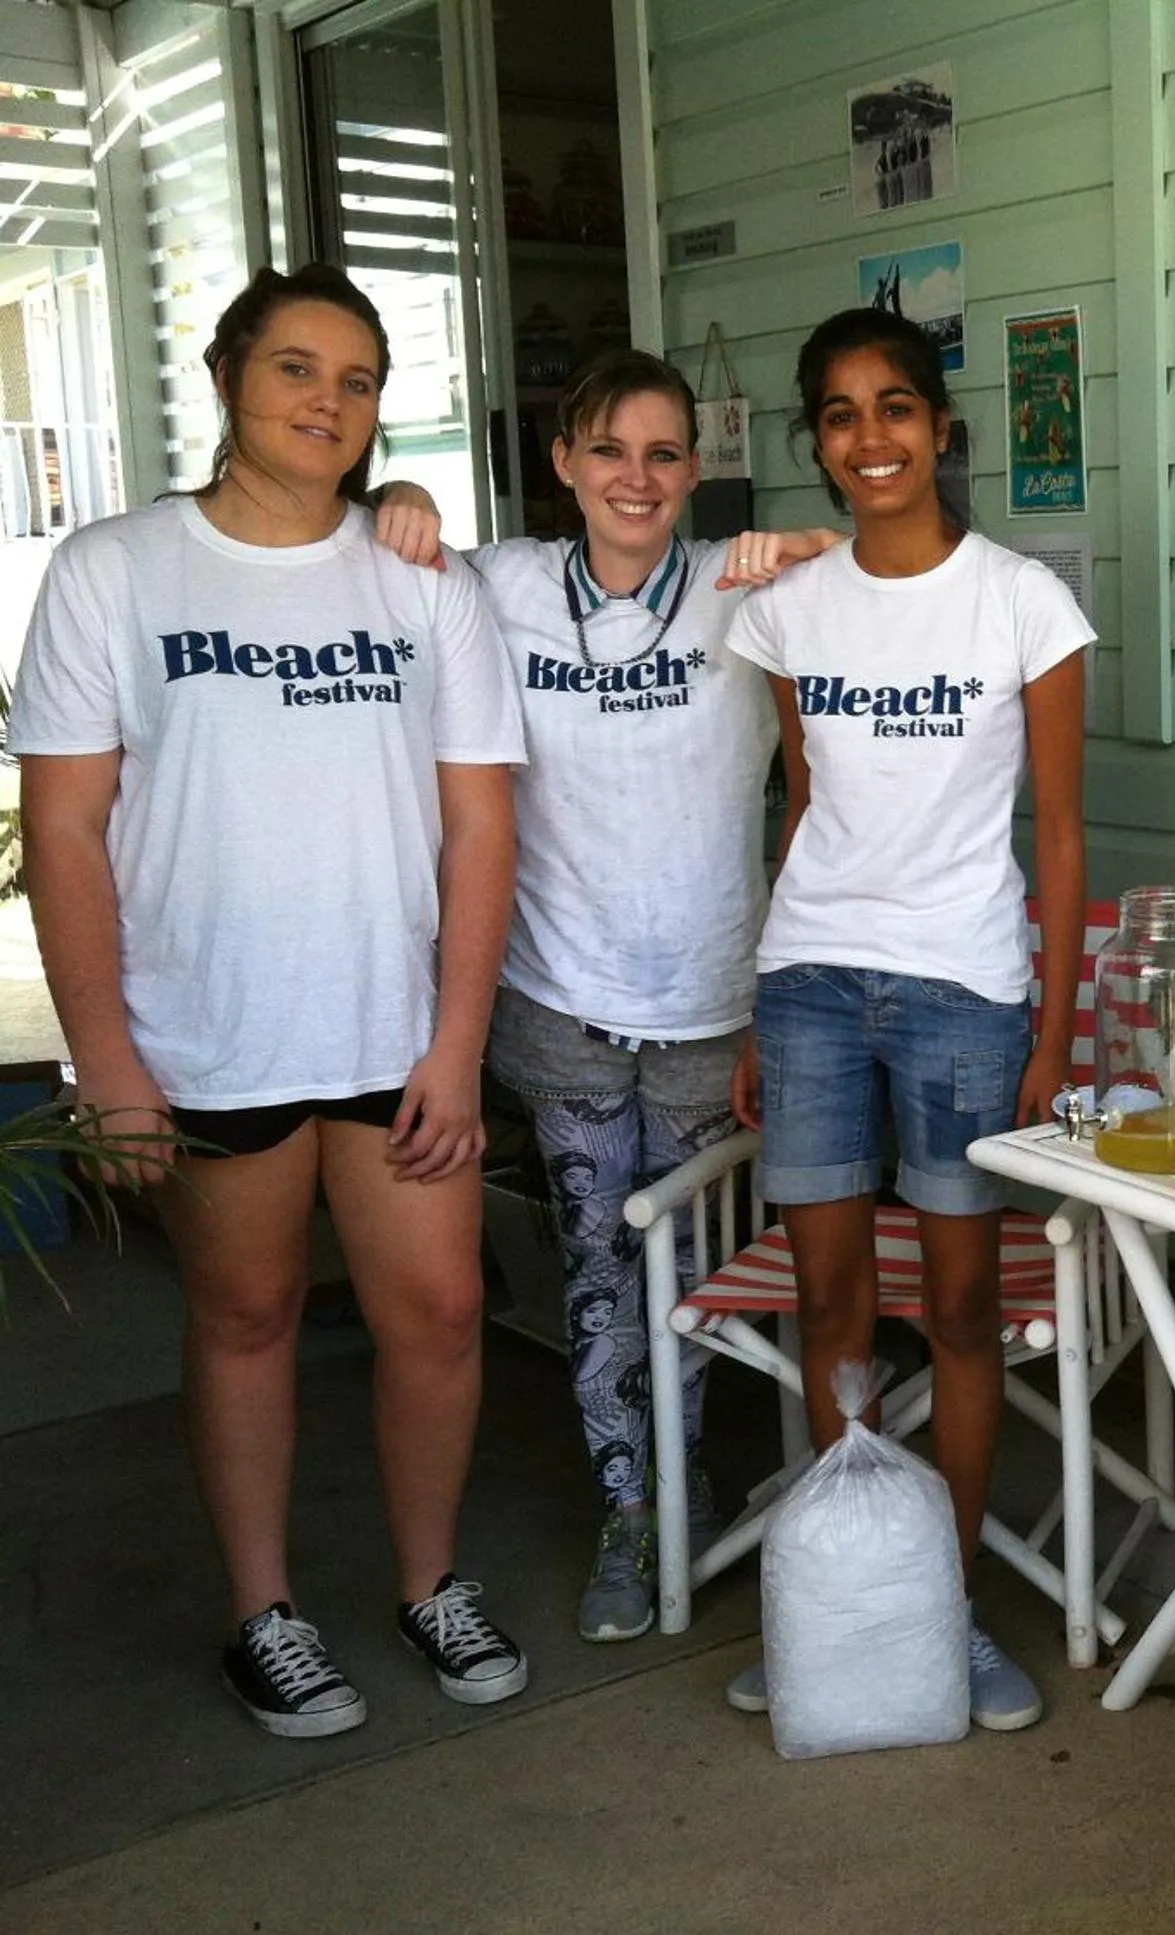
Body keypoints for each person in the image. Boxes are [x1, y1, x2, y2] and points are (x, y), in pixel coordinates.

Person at [15, 264, 529, 1738]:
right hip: (211, 1029)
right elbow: (64, 827)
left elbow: (480, 824)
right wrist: (105, 1053)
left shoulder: (422, 580)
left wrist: (459, 1039)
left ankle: (432, 1581)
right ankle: (266, 1611)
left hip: (392, 1029)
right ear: (230, 372)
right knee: (244, 1316)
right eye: (298, 367)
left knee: (434, 1313)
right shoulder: (115, 569)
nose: (329, 401)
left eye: (359, 380)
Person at [375, 350, 840, 1643]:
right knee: (596, 1261)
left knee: (681, 1268)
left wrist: (812, 544)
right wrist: (398, 492)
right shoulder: (501, 585)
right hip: (562, 1003)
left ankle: (683, 1490)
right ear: (567, 462)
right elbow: (377, 565)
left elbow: (886, 589)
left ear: (695, 468)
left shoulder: (748, 589)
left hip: (710, 1004)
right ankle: (633, 1514)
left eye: (665, 453)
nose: (638, 477)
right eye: (611, 450)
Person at [723, 306, 1089, 1730]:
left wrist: (1049, 1035)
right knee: (828, 1304)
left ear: (942, 426)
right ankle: (848, 1603)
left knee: (954, 1308)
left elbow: (1058, 833)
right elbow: (803, 805)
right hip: (812, 980)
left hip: (964, 992)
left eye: (894, 407)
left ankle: (940, 1610)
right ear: (817, 441)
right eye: (838, 413)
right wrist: (762, 996)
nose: (868, 436)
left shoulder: (1021, 600)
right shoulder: (788, 612)